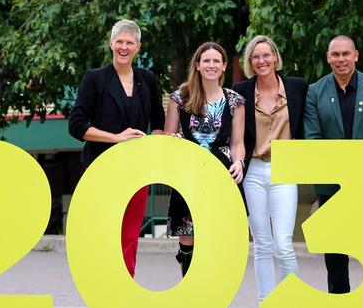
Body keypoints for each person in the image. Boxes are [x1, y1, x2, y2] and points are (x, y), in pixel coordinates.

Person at [68, 19, 165, 277]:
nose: (124, 47)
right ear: (110, 43)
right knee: (104, 234)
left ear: (138, 47)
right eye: (119, 41)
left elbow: (159, 122)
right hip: (101, 167)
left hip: (137, 171)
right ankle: (102, 292)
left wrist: (151, 144)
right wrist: (116, 137)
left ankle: (124, 295)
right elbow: (76, 126)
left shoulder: (147, 79)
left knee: (130, 236)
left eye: (129, 42)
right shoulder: (95, 78)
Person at [303, 35, 363, 293]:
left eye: (346, 54)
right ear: (328, 58)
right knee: (334, 254)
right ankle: (339, 301)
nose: (341, 59)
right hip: (331, 187)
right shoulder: (314, 92)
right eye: (336, 55)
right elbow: (313, 139)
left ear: (356, 55)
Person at [232, 35, 307, 302]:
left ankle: (293, 301)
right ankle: (267, 302)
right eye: (255, 57)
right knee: (262, 245)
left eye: (266, 55)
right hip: (252, 172)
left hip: (284, 170)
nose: (261, 61)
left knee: (284, 245)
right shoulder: (240, 91)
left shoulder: (298, 88)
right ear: (250, 62)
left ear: (275, 57)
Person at [164, 42, 246, 276]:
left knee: (217, 237)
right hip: (188, 174)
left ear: (223, 67)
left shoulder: (235, 101)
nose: (211, 65)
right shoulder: (180, 98)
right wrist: (175, 139)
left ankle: (215, 298)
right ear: (198, 66)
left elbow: (237, 144)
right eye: (206, 61)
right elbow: (169, 137)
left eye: (216, 61)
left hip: (221, 174)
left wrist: (239, 162)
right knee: (188, 236)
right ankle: (192, 298)